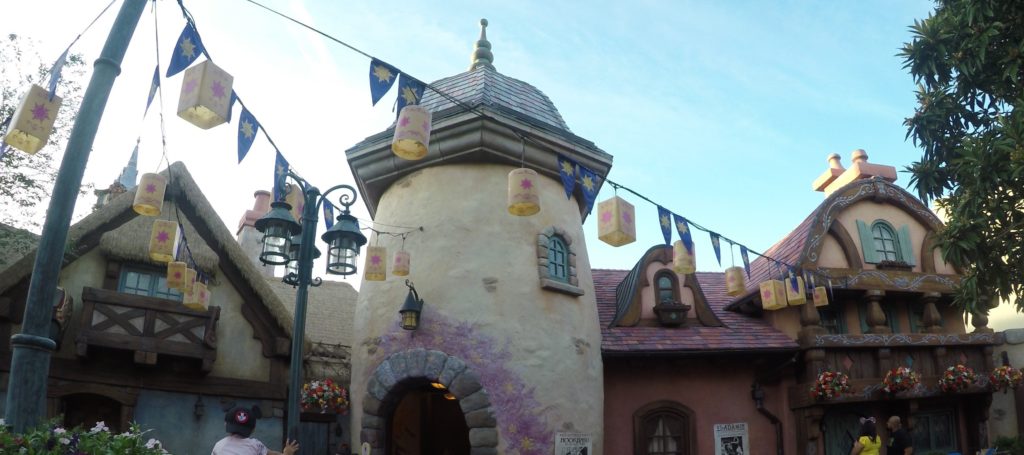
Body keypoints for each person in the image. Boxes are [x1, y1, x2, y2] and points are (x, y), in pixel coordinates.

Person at [212, 405, 299, 455]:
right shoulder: (255, 445)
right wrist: (287, 453)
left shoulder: (219, 446)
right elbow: (271, 454)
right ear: (253, 429)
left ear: (225, 424)